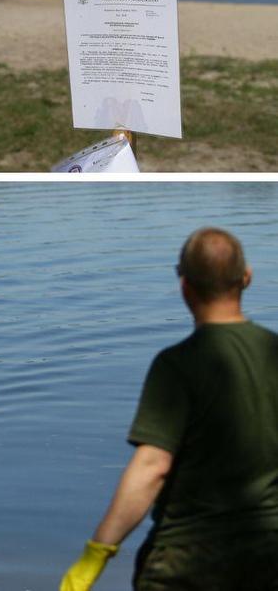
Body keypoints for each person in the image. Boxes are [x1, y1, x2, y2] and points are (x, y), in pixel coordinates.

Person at [60, 227, 278, 591]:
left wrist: (96, 554)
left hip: (187, 561)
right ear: (247, 278)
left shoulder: (177, 365)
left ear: (184, 285)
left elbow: (152, 467)